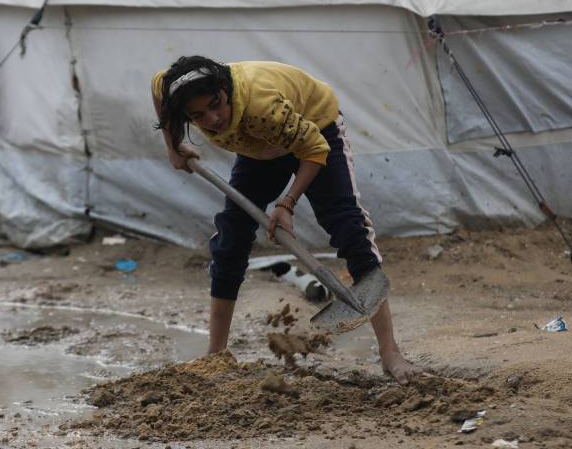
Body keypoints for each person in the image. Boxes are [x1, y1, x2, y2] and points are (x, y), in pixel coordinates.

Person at [151, 55, 421, 383]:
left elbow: (314, 150)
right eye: (198, 116)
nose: (213, 119)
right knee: (231, 238)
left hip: (315, 131)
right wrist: (172, 146)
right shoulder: (175, 91)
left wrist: (286, 204)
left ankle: (390, 351)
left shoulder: (261, 106)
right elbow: (159, 88)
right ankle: (216, 353)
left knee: (348, 228)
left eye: (216, 105)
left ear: (225, 90)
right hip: (260, 150)